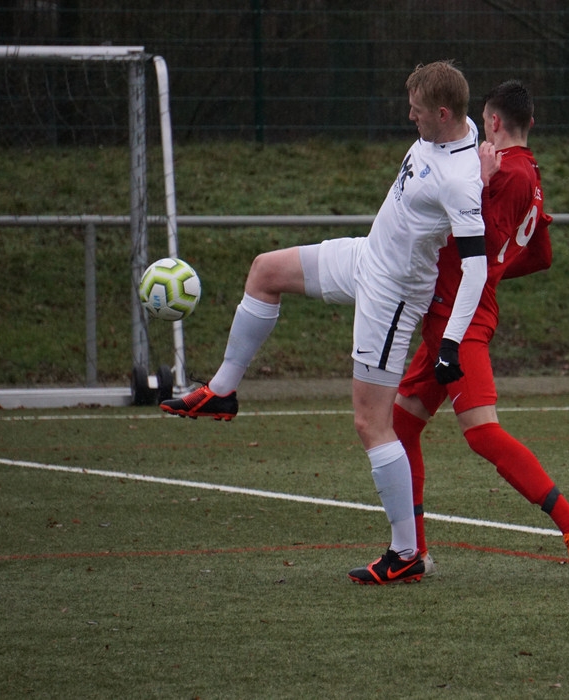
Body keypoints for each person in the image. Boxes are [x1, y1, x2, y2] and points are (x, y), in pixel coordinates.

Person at [161, 60, 488, 586]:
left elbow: (477, 266)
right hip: (365, 256)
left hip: (395, 296)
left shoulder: (458, 178)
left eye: (417, 110)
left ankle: (406, 553)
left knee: (371, 423)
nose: (410, 116)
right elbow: (481, 144)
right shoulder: (460, 134)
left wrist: (450, 342)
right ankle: (222, 390)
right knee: (265, 271)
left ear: (442, 113)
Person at [393, 80, 569, 586]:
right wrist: (499, 268)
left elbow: (478, 243)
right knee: (402, 427)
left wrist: (481, 187)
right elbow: (542, 255)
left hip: (461, 319)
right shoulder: (529, 174)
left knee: (482, 432)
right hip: (448, 314)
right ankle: (413, 553)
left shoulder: (505, 174)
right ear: (529, 123)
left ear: (492, 123)